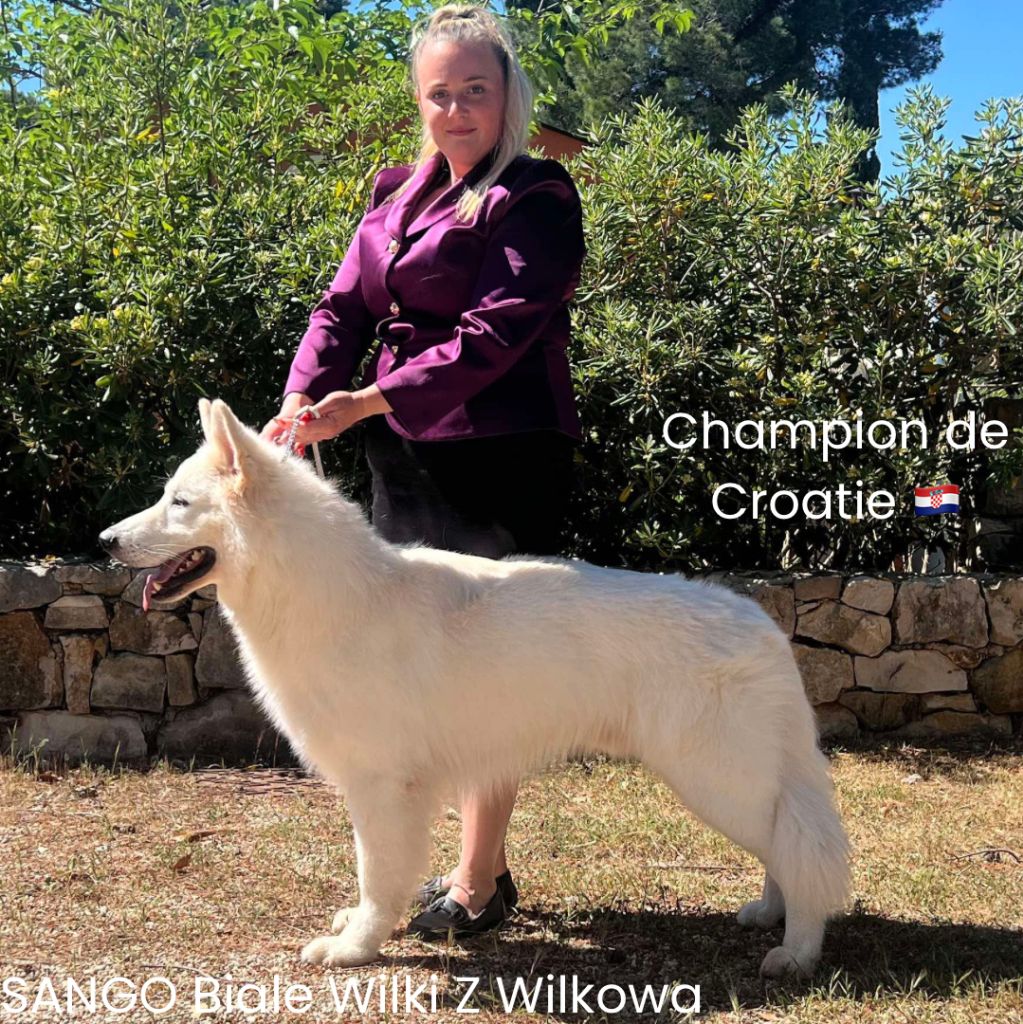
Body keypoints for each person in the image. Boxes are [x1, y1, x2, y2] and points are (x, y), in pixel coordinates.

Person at [261, 3, 585, 937]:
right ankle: (445, 872)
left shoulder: (537, 194)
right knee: (412, 665)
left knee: (490, 668)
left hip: (502, 452)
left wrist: (366, 398)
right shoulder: (394, 192)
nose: (456, 109)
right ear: (419, 101)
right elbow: (340, 311)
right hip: (402, 452)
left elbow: (494, 334)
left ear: (508, 94)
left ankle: (478, 881)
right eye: (440, 93)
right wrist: (302, 394)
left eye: (475, 89)